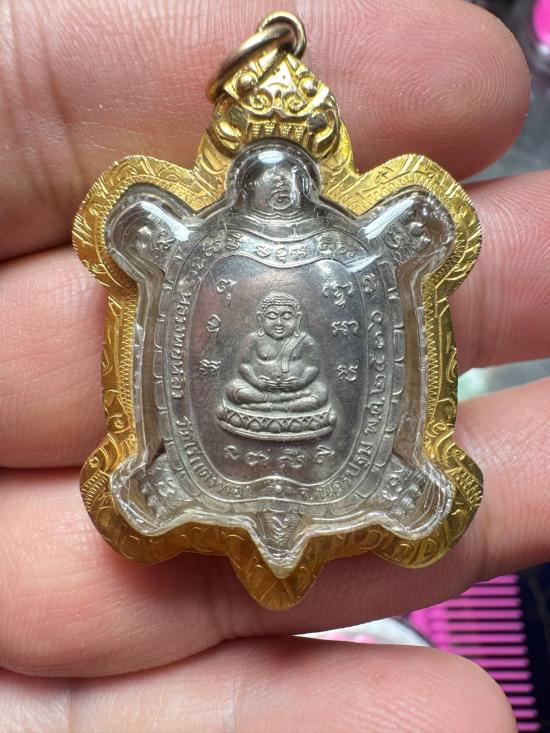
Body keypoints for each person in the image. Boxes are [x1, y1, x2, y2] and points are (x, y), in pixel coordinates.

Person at [0, 0, 546, 730]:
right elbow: (235, 357)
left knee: (305, 386)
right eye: (277, 318)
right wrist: (264, 376)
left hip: (310, 419)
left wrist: (298, 379)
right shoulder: (193, 246)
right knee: (254, 383)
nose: (282, 323)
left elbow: (325, 357)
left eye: (288, 317)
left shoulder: (361, 247)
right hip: (245, 416)